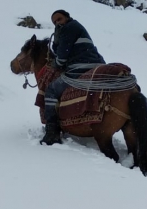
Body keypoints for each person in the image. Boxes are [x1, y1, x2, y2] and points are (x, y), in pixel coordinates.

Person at [40, 10, 106, 145]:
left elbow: (62, 56)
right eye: (55, 22)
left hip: (80, 68)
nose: (58, 23)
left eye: (59, 19)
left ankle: (52, 131)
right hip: (97, 64)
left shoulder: (69, 27)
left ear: (67, 17)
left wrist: (56, 63)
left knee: (51, 90)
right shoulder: (77, 27)